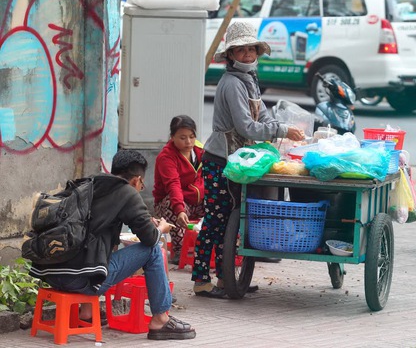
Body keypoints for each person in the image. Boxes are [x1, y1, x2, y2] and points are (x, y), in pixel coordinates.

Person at [28, 150, 196, 340]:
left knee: (93, 247)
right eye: (142, 183)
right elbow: (149, 239)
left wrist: (146, 220)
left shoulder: (90, 183)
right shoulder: (128, 193)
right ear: (136, 180)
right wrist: (161, 229)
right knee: (154, 250)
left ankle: (86, 313)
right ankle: (161, 319)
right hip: (79, 281)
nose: (141, 187)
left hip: (50, 274)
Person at [191, 21, 305, 298]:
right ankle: (201, 280)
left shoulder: (249, 80)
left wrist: (281, 128)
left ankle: (223, 279)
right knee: (216, 222)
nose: (247, 55)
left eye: (251, 49)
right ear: (230, 55)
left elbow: (262, 115)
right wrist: (280, 130)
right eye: (240, 50)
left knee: (230, 220)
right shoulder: (231, 83)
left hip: (238, 160)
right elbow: (245, 126)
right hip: (220, 160)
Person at [153, 115, 204, 265]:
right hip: (173, 202)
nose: (188, 142)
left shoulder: (199, 151)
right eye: (182, 137)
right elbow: (173, 184)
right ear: (172, 137)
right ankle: (179, 249)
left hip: (196, 200)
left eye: (191, 136)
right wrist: (180, 209)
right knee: (172, 203)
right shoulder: (166, 157)